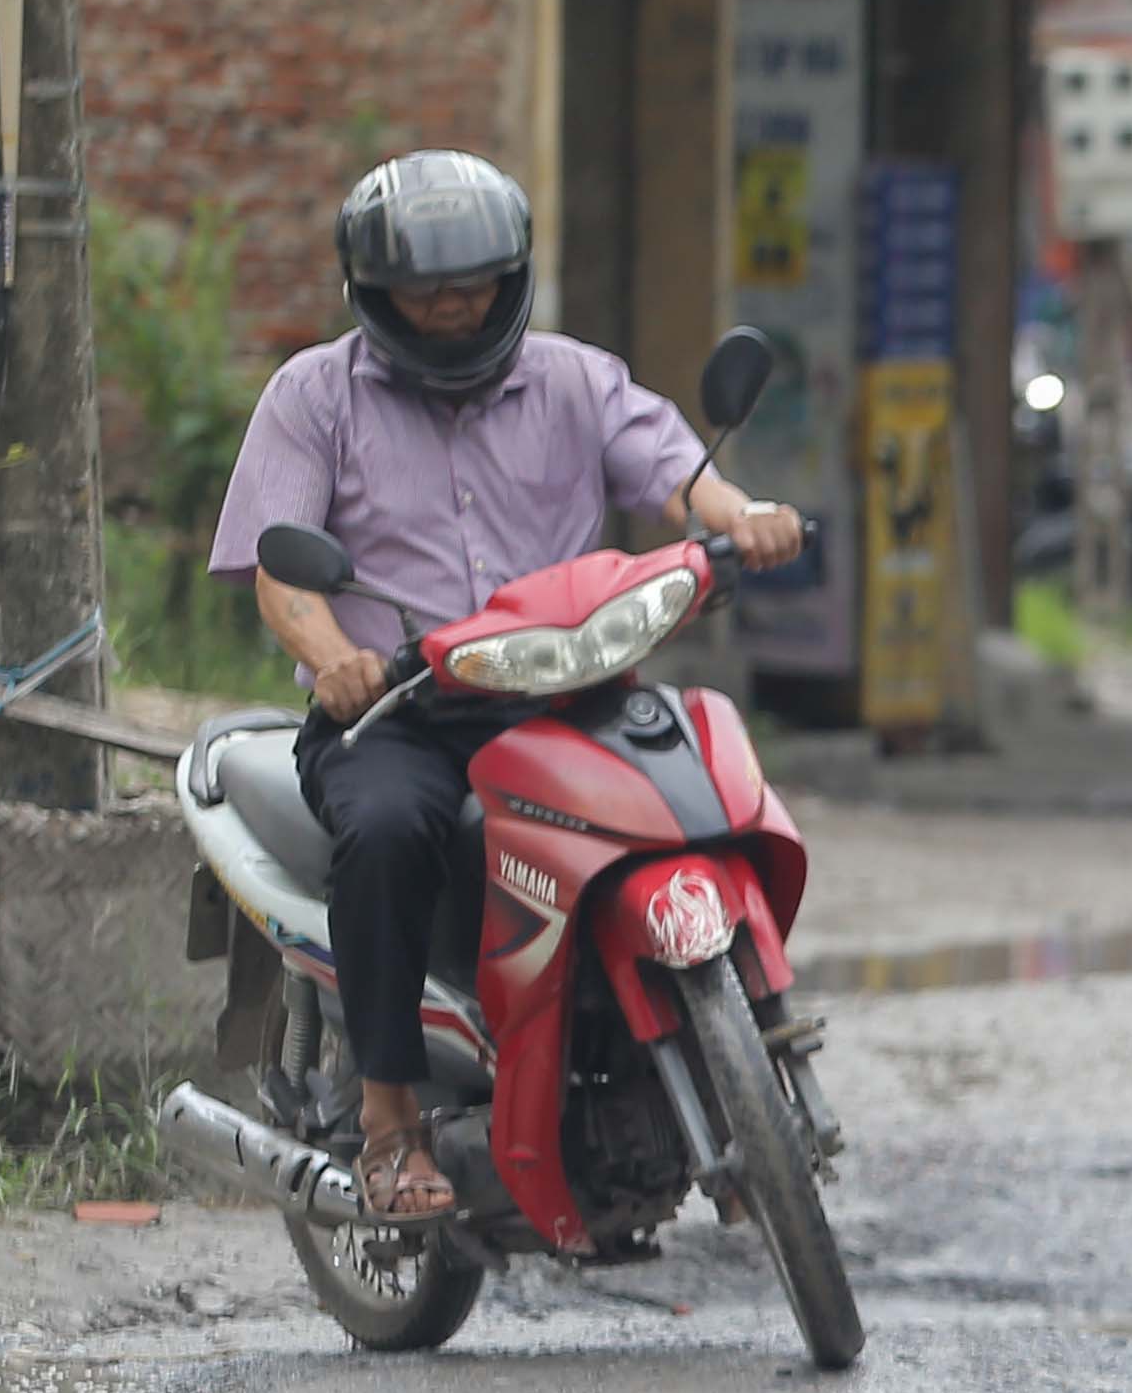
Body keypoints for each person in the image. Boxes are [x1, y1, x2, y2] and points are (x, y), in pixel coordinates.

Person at [207, 153, 809, 1220]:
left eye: (474, 280)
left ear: (514, 274)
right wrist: (335, 656)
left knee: (696, 786)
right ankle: (391, 1120)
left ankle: (737, 1055)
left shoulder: (577, 381)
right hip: (398, 712)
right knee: (389, 832)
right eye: (424, 287)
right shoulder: (314, 395)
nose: (450, 303)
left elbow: (680, 473)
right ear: (371, 290)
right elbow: (277, 575)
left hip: (564, 693)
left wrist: (741, 518)